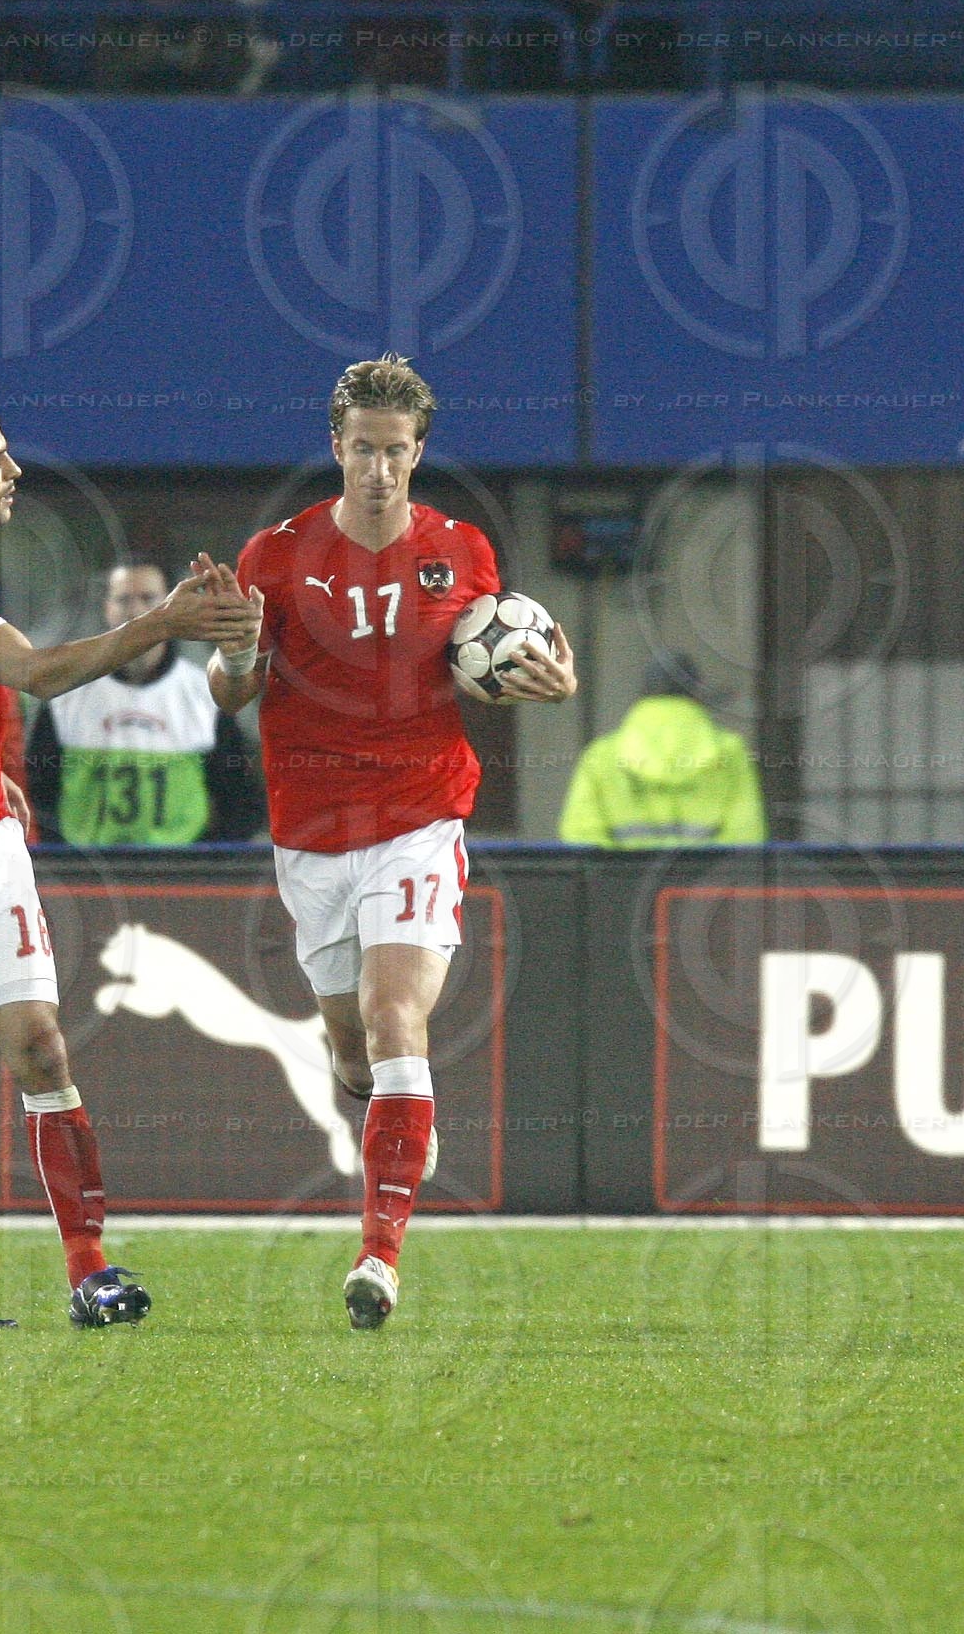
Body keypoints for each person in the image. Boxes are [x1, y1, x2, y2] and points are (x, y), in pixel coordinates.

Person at [0, 398, 258, 1330]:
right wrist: (164, 621)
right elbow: (35, 675)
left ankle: (90, 1270)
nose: (13, 473)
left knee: (40, 1043)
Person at [210, 354, 577, 1331]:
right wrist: (238, 655)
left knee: (392, 1014)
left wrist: (546, 678)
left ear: (418, 454)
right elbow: (230, 691)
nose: (379, 468)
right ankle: (398, 1132)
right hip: (312, 833)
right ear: (337, 448)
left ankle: (379, 1255)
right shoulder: (276, 557)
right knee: (353, 1050)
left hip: (418, 818)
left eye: (397, 452)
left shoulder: (461, 552)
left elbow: (492, 657)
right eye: (363, 449)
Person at [26, 561, 266, 845]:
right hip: (84, 872)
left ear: (171, 604)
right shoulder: (65, 695)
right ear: (107, 608)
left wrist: (205, 859)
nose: (136, 609)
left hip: (181, 873)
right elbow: (37, 789)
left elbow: (239, 797)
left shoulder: (204, 693)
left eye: (148, 598)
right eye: (124, 599)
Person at [558, 653, 764, 849]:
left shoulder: (602, 755)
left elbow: (580, 836)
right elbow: (745, 837)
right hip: (706, 885)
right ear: (695, 695)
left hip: (623, 883)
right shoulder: (730, 751)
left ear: (643, 695)